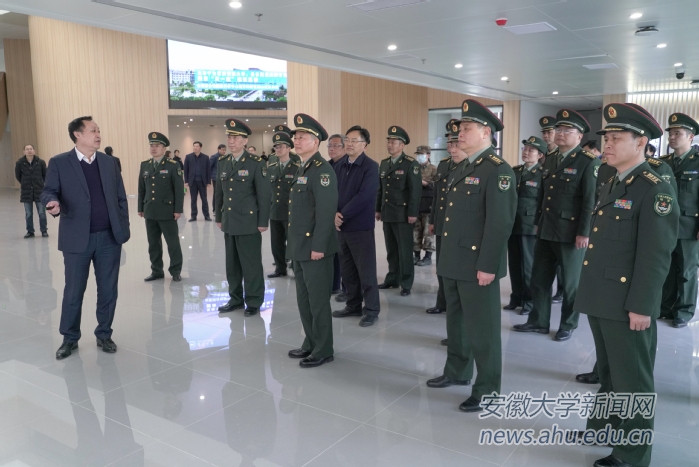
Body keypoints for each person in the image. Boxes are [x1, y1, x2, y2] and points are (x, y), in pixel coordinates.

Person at [576, 103, 678, 467]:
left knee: (632, 378)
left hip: (627, 301)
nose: (607, 144)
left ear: (642, 142)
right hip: (602, 294)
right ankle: (605, 426)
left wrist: (642, 305)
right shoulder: (611, 178)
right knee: (609, 370)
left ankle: (633, 453)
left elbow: (656, 254)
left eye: (617, 138)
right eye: (607, 138)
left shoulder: (654, 188)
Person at [427, 99, 516, 413]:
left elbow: (499, 222)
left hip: (479, 264)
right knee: (457, 324)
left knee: (484, 330)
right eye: (459, 128)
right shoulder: (461, 166)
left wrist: (489, 265)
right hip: (454, 259)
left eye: (466, 129)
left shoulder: (498, 171)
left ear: (486, 132)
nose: (459, 134)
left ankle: (488, 388)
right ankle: (457, 371)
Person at [41, 116, 130, 360]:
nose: (98, 134)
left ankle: (104, 334)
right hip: (77, 240)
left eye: (99, 130)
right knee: (73, 291)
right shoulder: (60, 162)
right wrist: (51, 202)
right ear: (78, 135)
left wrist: (123, 224)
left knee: (108, 290)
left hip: (109, 238)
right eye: (93, 130)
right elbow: (49, 190)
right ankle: (69, 338)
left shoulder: (109, 162)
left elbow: (121, 197)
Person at [514, 109, 601, 341]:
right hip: (546, 229)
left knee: (571, 284)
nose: (560, 134)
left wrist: (584, 231)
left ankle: (568, 324)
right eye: (558, 130)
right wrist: (537, 223)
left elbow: (590, 200)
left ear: (579, 136)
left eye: (567, 131)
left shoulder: (587, 162)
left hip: (571, 232)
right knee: (539, 279)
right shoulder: (550, 159)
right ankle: (538, 321)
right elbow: (543, 195)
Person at [286, 113, 338, 368]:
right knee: (303, 300)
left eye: (302, 136)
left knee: (318, 302)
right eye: (295, 136)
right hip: (299, 246)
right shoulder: (302, 167)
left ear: (315, 142)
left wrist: (318, 246)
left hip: (315, 248)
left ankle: (323, 348)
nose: (296, 140)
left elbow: (326, 212)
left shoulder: (323, 170)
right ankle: (311, 341)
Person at [215, 119, 271, 316]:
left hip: (248, 222)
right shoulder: (223, 162)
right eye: (229, 137)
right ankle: (236, 298)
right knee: (232, 264)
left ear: (245, 140)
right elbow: (219, 192)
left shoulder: (256, 163)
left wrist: (263, 221)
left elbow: (264, 195)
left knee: (251, 264)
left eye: (236, 137)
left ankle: (254, 301)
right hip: (229, 220)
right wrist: (218, 215)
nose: (231, 141)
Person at [331, 125, 381, 327]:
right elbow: (333, 192)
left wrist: (342, 214)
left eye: (354, 141)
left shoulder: (370, 166)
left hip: (360, 227)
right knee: (348, 270)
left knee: (366, 271)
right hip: (341, 227)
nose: (349, 144)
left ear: (365, 145)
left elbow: (365, 195)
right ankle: (353, 305)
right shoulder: (339, 165)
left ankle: (371, 309)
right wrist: (334, 213)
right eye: (347, 140)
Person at [660, 112, 699, 328]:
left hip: (689, 226)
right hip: (665, 226)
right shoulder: (664, 163)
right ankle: (666, 307)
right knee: (667, 268)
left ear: (691, 137)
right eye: (671, 133)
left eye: (678, 133)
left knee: (686, 270)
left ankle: (684, 310)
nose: (672, 137)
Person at [376, 126, 421, 296]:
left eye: (394, 142)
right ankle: (392, 278)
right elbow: (380, 189)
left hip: (403, 215)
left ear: (402, 145)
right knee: (391, 249)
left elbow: (415, 191)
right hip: (387, 212)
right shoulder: (384, 163)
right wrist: (378, 209)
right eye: (388, 141)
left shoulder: (410, 164)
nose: (390, 145)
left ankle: (406, 282)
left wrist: (412, 213)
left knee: (404, 250)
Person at [505, 137, 546, 315]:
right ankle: (516, 298)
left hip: (530, 225)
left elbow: (543, 201)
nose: (526, 152)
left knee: (528, 266)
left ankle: (529, 302)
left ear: (540, 155)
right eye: (525, 148)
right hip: (513, 223)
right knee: (514, 263)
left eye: (531, 150)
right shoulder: (515, 171)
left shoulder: (542, 174)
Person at [138, 132, 184, 282]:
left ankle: (175, 270)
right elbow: (141, 189)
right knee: (153, 244)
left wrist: (178, 209)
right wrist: (140, 207)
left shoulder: (172, 165)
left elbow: (178, 189)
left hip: (167, 211)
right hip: (150, 210)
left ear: (164, 148)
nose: (153, 148)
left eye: (157, 146)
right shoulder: (145, 165)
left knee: (172, 243)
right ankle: (156, 271)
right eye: (152, 145)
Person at [426, 120, 460, 319]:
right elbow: (437, 196)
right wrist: (433, 220)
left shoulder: (467, 165)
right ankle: (442, 301)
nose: (451, 146)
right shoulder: (444, 164)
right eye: (449, 141)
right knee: (442, 265)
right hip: (441, 223)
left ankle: (454, 303)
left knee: (454, 267)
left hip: (456, 225)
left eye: (454, 142)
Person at [267, 131, 300, 278]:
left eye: (281, 147)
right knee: (276, 243)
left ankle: (296, 267)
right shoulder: (272, 167)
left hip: (291, 212)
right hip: (275, 211)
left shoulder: (297, 167)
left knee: (293, 241)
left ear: (288, 149)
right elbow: (268, 191)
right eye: (276, 147)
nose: (278, 149)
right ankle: (280, 268)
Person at [539, 116, 565, 303]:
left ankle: (562, 292)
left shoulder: (580, 159)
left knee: (567, 271)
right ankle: (539, 318)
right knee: (541, 272)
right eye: (545, 132)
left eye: (550, 131)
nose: (547, 135)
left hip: (566, 224)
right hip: (546, 221)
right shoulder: (548, 158)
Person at [327, 134, 347, 299]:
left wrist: (339, 214)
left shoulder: (348, 165)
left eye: (335, 146)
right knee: (331, 252)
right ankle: (334, 284)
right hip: (327, 216)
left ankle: (347, 289)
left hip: (342, 216)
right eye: (329, 146)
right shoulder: (326, 166)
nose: (331, 149)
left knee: (344, 255)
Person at [15, 144, 48, 238]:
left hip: (39, 191)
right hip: (26, 191)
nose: (29, 151)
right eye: (27, 149)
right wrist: (25, 183)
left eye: (31, 149)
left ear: (34, 151)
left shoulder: (41, 162)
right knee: (28, 214)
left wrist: (41, 184)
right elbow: (18, 176)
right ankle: (30, 231)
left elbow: (45, 175)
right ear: (24, 152)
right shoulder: (20, 163)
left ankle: (44, 230)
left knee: (42, 213)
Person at [413, 145, 437, 266]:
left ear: (428, 155)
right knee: (416, 232)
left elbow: (437, 185)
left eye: (422, 154)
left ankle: (428, 257)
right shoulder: (414, 168)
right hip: (416, 204)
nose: (419, 157)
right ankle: (416, 255)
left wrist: (425, 183)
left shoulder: (433, 169)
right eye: (418, 154)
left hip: (428, 205)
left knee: (428, 233)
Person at [184, 141, 211, 222]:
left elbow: (208, 170)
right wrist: (186, 180)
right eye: (194, 146)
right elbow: (186, 170)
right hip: (192, 181)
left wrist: (208, 181)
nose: (195, 148)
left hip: (202, 181)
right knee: (193, 199)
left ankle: (206, 216)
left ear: (200, 148)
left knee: (204, 199)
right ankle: (193, 216)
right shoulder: (188, 157)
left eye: (197, 146)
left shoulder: (205, 157)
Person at [210, 143, 225, 212]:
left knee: (223, 193)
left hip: (223, 178)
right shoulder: (214, 157)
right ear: (218, 149)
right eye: (222, 150)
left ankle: (221, 208)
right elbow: (209, 167)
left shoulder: (225, 157)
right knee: (216, 193)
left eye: (225, 150)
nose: (224, 151)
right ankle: (215, 209)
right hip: (215, 178)